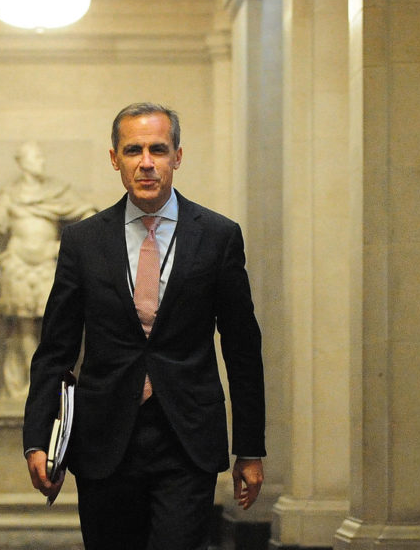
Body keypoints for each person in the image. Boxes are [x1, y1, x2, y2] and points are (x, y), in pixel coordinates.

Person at [23, 103, 266, 549]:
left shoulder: (217, 235)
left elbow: (242, 348)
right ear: (115, 158)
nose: (147, 162)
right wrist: (38, 439)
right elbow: (55, 349)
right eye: (134, 150)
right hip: (104, 438)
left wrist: (249, 448)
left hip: (186, 436)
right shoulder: (83, 240)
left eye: (158, 149)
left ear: (178, 155)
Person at [0, 141, 95, 399]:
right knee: (23, 328)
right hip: (18, 267)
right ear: (23, 163)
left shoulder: (58, 192)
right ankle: (31, 383)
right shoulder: (9, 195)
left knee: (53, 327)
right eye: (36, 157)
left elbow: (90, 216)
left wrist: (62, 246)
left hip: (47, 268)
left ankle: (49, 383)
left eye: (42, 157)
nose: (42, 162)